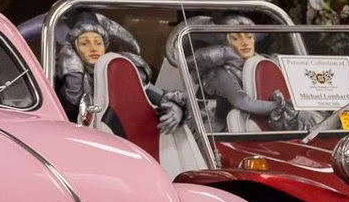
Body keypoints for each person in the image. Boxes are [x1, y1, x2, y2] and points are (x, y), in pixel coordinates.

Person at [53, 8, 187, 135]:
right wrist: (73, 73)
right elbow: (63, 111)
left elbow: (156, 96)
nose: (93, 48)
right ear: (73, 48)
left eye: (98, 43)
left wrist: (176, 110)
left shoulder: (119, 71)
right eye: (84, 43)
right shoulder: (62, 78)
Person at [191, 12, 299, 132]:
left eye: (249, 36)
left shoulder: (268, 62)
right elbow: (241, 101)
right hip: (233, 130)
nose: (244, 42)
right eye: (236, 38)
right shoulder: (221, 72)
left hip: (276, 127)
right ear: (226, 43)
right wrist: (280, 106)